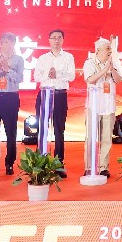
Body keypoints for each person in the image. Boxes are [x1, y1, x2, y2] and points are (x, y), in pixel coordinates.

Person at [33, 29, 75, 177]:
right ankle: (41, 162)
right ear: (49, 40)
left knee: (59, 130)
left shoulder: (68, 57)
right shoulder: (42, 58)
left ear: (63, 40)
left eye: (59, 38)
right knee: (42, 129)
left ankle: (58, 164)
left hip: (59, 95)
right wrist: (48, 74)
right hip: (44, 95)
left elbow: (71, 76)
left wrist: (58, 75)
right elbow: (36, 76)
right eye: (53, 38)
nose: (56, 40)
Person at [0, 32, 24, 175]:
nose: (8, 45)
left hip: (10, 97)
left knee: (10, 131)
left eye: (11, 42)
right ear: (1, 44)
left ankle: (9, 163)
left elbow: (20, 79)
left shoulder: (18, 59)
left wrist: (8, 70)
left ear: (14, 44)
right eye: (5, 42)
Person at [83, 37, 122, 177]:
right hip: (93, 106)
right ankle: (89, 166)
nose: (110, 51)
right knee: (91, 137)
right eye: (107, 49)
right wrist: (104, 70)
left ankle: (103, 167)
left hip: (108, 106)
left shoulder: (113, 63)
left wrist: (111, 70)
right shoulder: (89, 63)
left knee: (106, 138)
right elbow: (89, 79)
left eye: (110, 49)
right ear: (98, 50)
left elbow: (118, 80)